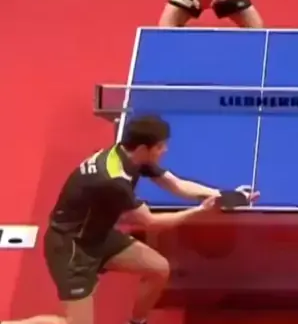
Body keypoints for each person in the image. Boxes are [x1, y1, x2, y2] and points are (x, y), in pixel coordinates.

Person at [3, 115, 258, 324]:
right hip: (71, 248)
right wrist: (200, 212)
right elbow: (150, 222)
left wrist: (225, 195)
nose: (165, 150)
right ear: (144, 148)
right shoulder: (113, 181)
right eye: (161, 146)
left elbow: (177, 185)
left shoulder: (129, 156)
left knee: (158, 269)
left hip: (99, 235)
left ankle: (137, 322)